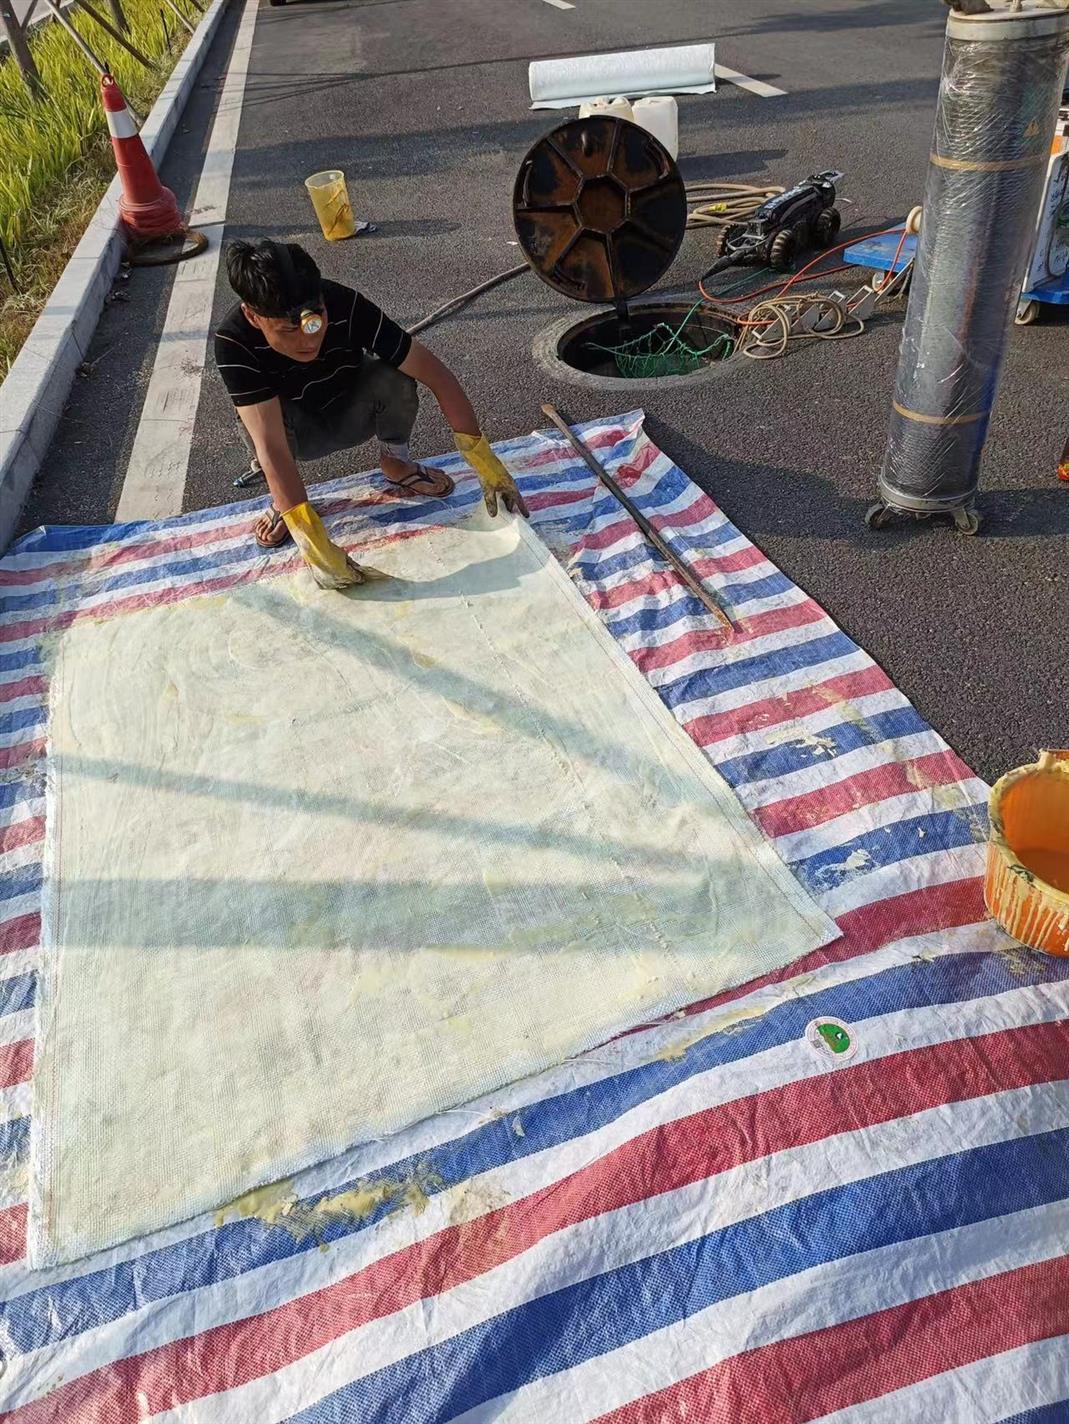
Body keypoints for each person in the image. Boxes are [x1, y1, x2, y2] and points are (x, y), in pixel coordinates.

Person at [213, 239, 529, 588]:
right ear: (253, 316)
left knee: (394, 374)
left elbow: (435, 373)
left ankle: (396, 462)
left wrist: (484, 460)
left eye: (316, 321)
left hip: (352, 410)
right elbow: (271, 443)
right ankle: (285, 504)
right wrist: (312, 540)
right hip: (293, 435)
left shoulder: (342, 302)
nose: (308, 340)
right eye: (289, 330)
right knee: (252, 420)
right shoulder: (234, 341)